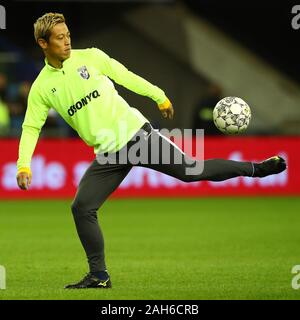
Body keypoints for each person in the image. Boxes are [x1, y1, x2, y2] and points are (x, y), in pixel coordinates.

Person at [16, 13, 286, 289]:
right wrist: (23, 165)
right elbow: (30, 127)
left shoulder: (91, 57)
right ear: (43, 43)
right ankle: (99, 275)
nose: (67, 42)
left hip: (137, 136)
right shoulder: (41, 88)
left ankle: (257, 168)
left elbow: (125, 76)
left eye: (68, 35)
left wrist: (159, 96)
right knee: (82, 207)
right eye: (60, 38)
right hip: (108, 154)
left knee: (192, 172)